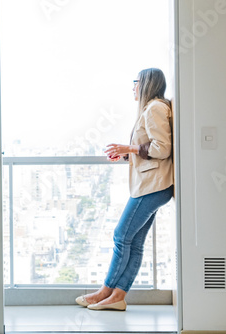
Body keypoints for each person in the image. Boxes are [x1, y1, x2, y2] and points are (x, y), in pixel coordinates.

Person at [75, 68, 174, 311]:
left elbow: (162, 149)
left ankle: (105, 291)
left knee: (121, 237)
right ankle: (117, 296)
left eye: (136, 82)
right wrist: (124, 155)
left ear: (147, 83)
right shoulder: (152, 109)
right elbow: (148, 152)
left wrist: (128, 148)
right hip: (152, 185)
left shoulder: (154, 109)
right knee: (134, 242)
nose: (133, 87)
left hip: (152, 187)